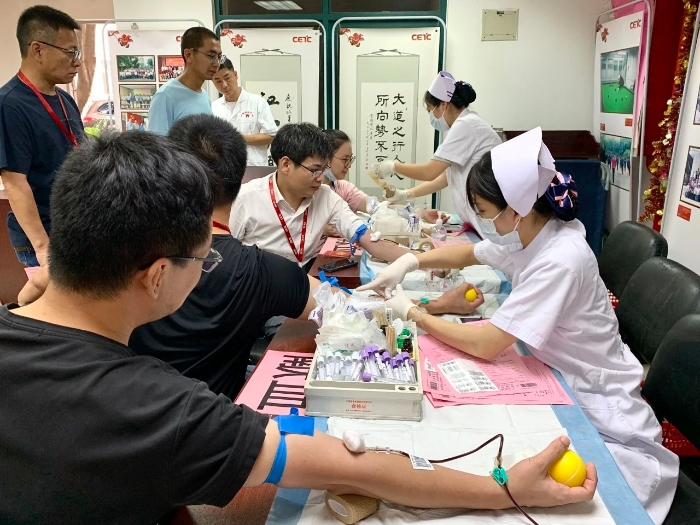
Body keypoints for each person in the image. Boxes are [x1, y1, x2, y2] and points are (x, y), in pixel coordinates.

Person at [0, 129, 597, 523]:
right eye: (203, 257)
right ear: (158, 275)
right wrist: (504, 489)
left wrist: (407, 264)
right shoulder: (160, 410)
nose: (211, 262)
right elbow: (349, 465)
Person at [358, 128, 678, 525]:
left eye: (484, 211)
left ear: (516, 210)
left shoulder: (560, 258)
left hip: (597, 406)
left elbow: (487, 344)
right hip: (555, 371)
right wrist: (409, 262)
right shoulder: (533, 231)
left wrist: (414, 313)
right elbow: (471, 252)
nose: (482, 220)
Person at [129, 115, 328, 399]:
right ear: (240, 175)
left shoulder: (125, 256)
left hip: (130, 410)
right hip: (216, 415)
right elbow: (340, 309)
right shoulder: (261, 270)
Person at [230, 123, 412, 270]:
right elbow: (223, 257)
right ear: (286, 165)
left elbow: (368, 238)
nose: (320, 178)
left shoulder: (326, 197)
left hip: (302, 279)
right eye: (315, 170)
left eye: (324, 170)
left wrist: (420, 260)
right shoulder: (245, 199)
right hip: (257, 287)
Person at [0, 5, 84, 267]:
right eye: (70, 52)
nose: (77, 61)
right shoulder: (9, 105)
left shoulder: (65, 99)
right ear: (38, 50)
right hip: (45, 238)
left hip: (73, 229)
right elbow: (15, 182)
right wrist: (42, 247)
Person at [373, 71, 502, 234]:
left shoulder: (465, 125)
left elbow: (429, 171)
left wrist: (393, 166)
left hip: (490, 216)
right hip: (482, 218)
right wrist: (405, 194)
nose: (432, 116)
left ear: (443, 104)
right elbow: (445, 178)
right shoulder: (467, 124)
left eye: (430, 110)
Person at [148, 27, 223, 134]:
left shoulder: (204, 96)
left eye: (219, 57)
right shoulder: (165, 96)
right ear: (188, 55)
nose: (217, 63)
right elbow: (156, 143)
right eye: (211, 56)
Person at [212, 59, 278, 166]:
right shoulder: (213, 107)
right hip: (225, 168)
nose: (224, 85)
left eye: (227, 78)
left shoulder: (257, 102)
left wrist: (237, 138)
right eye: (218, 81)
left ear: (235, 74)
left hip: (254, 166)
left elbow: (271, 136)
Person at [321, 129, 375, 215]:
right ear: (326, 157)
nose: (349, 165)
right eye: (345, 159)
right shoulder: (307, 190)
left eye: (350, 159)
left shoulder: (344, 188)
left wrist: (391, 195)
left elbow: (374, 206)